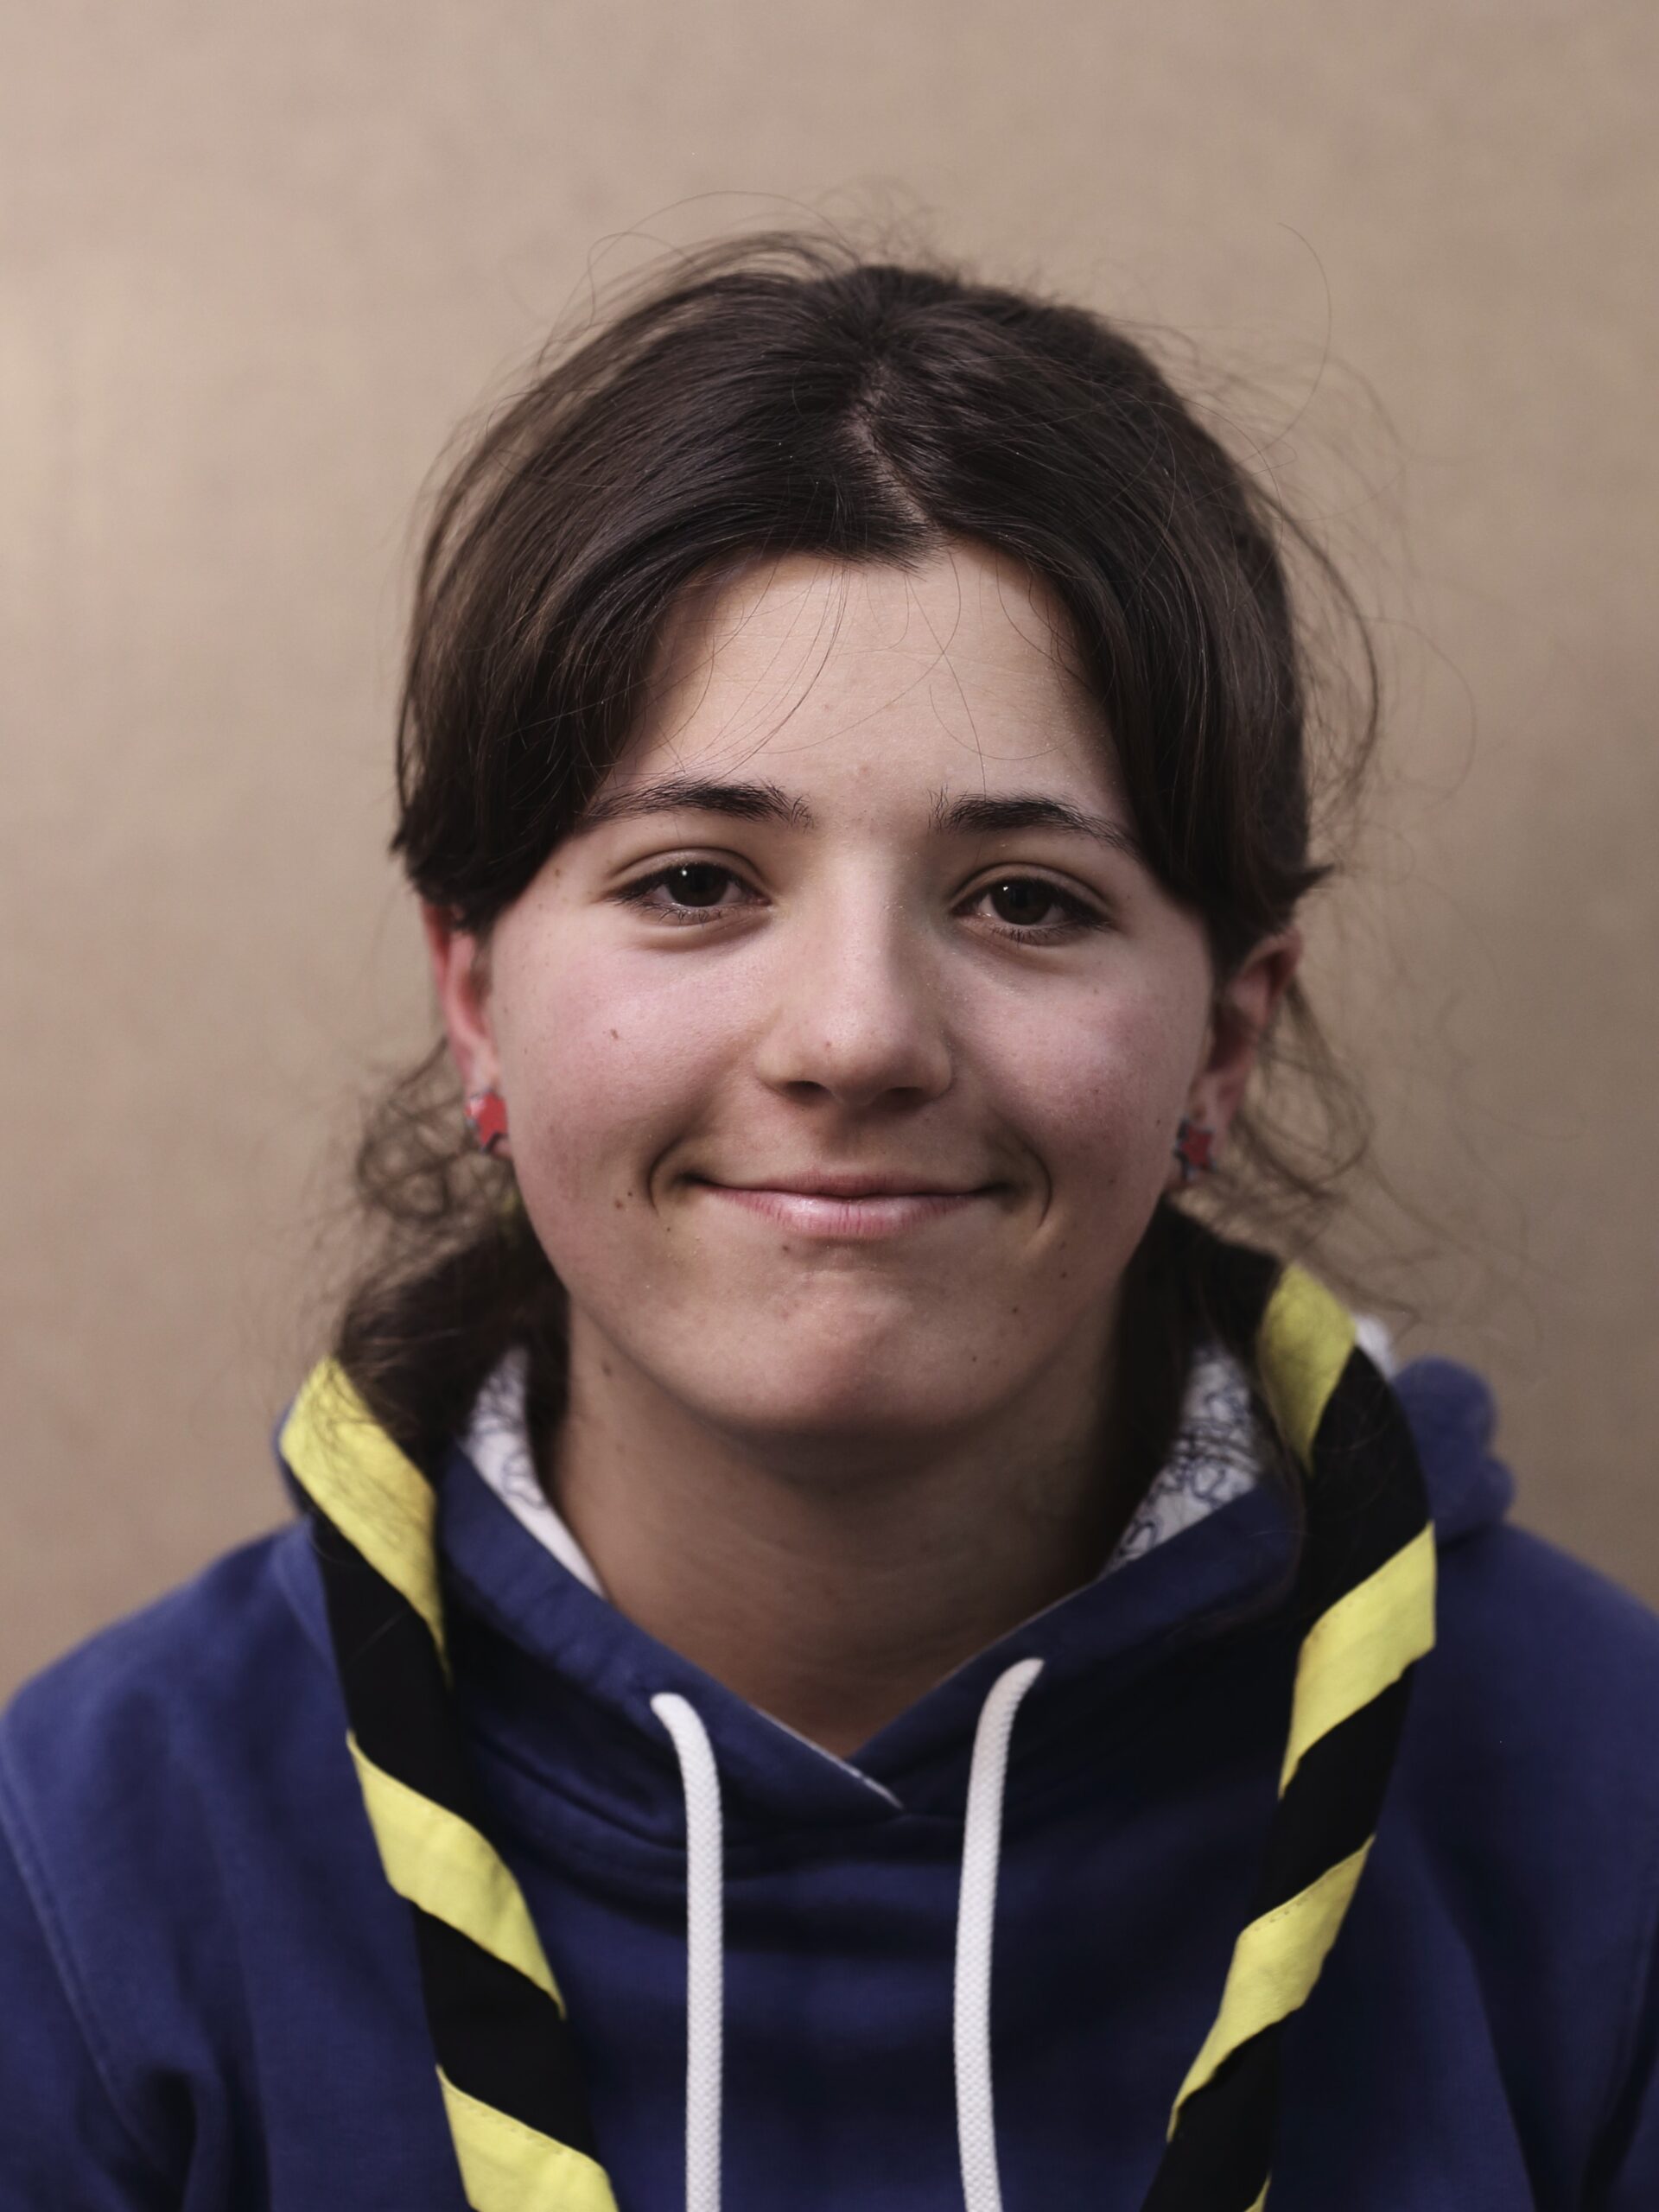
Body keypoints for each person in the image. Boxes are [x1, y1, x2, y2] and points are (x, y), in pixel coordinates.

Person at [3, 234, 1656, 2212]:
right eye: (697, 880)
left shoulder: (1609, 1817)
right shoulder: (89, 1865)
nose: (857, 1034)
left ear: (1223, 1037)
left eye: (1026, 898)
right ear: (475, 994)